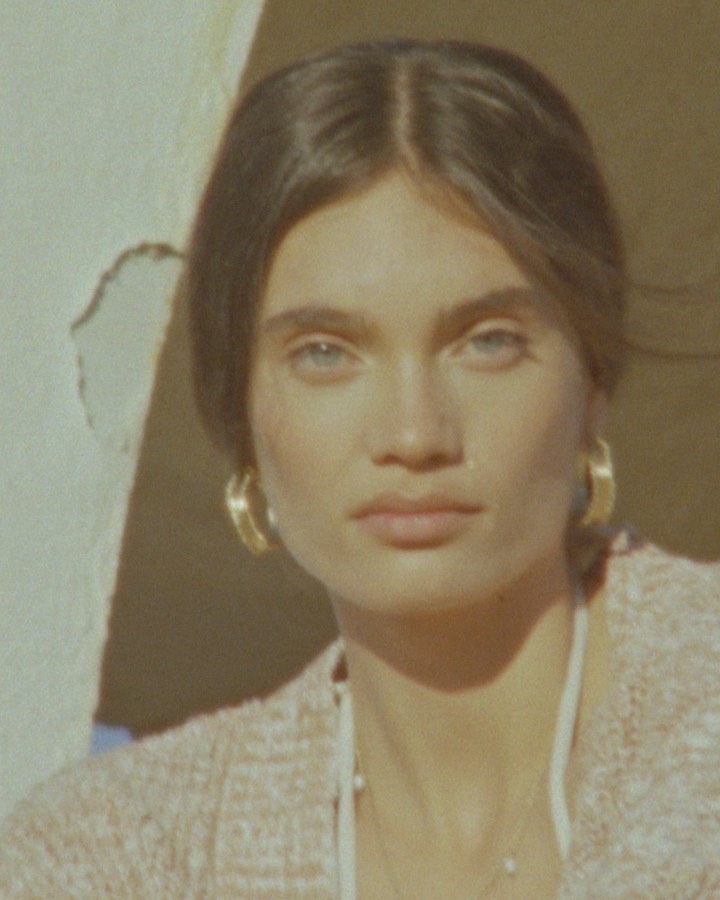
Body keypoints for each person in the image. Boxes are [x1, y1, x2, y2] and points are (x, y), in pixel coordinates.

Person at [1, 39, 719, 898]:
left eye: (487, 342)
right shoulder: (119, 855)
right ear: (239, 414)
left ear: (592, 381)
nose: (414, 434)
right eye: (325, 353)